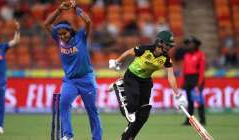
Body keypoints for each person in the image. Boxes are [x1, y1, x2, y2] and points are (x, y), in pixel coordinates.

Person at [109, 30, 188, 140]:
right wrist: (117, 61)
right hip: (132, 76)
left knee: (143, 114)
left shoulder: (166, 58)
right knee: (133, 104)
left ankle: (128, 138)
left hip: (146, 81)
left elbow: (171, 76)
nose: (169, 47)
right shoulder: (145, 49)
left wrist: (178, 95)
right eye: (167, 44)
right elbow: (128, 52)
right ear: (160, 42)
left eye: (170, 45)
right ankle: (119, 86)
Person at [44, 1, 102, 140]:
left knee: (92, 111)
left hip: (86, 79)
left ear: (70, 30)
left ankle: (97, 138)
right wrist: (59, 10)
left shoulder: (81, 36)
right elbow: (46, 24)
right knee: (63, 105)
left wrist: (76, 9)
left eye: (64, 33)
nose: (62, 36)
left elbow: (88, 21)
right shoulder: (58, 39)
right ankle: (68, 135)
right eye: (60, 34)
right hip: (70, 81)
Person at [0, 21, 20, 134]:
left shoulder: (2, 47)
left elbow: (16, 41)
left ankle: (0, 125)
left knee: (1, 102)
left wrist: (17, 30)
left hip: (1, 80)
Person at [182, 36, 206, 125]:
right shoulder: (186, 55)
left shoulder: (200, 55)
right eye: (188, 44)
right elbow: (184, 70)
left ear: (196, 45)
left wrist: (199, 84)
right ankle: (189, 120)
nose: (189, 46)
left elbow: (202, 70)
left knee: (199, 101)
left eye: (191, 44)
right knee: (189, 101)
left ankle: (202, 120)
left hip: (196, 79)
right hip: (188, 79)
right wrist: (183, 82)